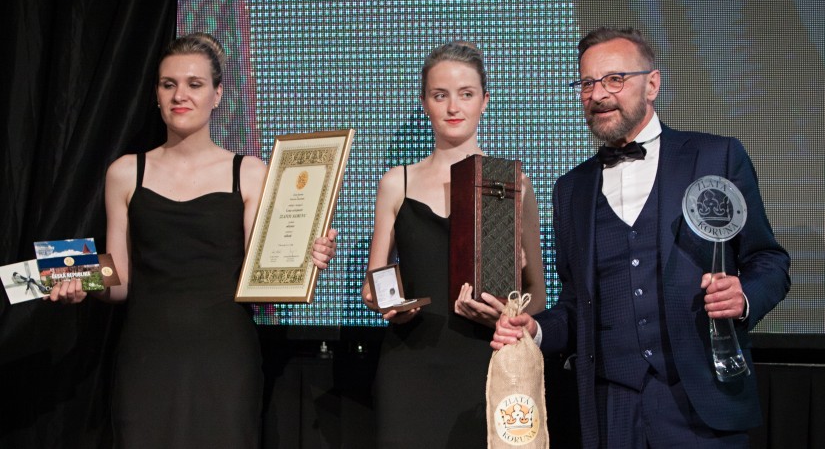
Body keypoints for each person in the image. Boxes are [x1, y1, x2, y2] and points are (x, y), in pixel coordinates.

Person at [490, 27, 790, 448]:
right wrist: (535, 330)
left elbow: (769, 261)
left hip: (702, 405)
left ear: (652, 85)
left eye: (614, 79)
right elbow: (577, 306)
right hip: (611, 411)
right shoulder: (571, 190)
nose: (598, 94)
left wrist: (743, 296)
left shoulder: (715, 156)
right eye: (587, 83)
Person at [47, 32, 338, 448]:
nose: (179, 95)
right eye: (169, 84)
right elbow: (121, 281)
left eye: (194, 84)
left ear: (217, 95)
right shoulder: (125, 172)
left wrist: (305, 259)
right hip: (146, 358)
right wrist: (81, 281)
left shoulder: (249, 172)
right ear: (157, 94)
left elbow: (263, 276)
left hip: (224, 357)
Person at [362, 40, 547, 447]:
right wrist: (388, 304)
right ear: (424, 103)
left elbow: (537, 293)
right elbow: (374, 283)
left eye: (466, 94)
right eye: (439, 95)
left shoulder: (512, 183)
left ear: (484, 101)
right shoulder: (397, 182)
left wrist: (508, 316)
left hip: (486, 362)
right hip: (409, 366)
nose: (453, 107)